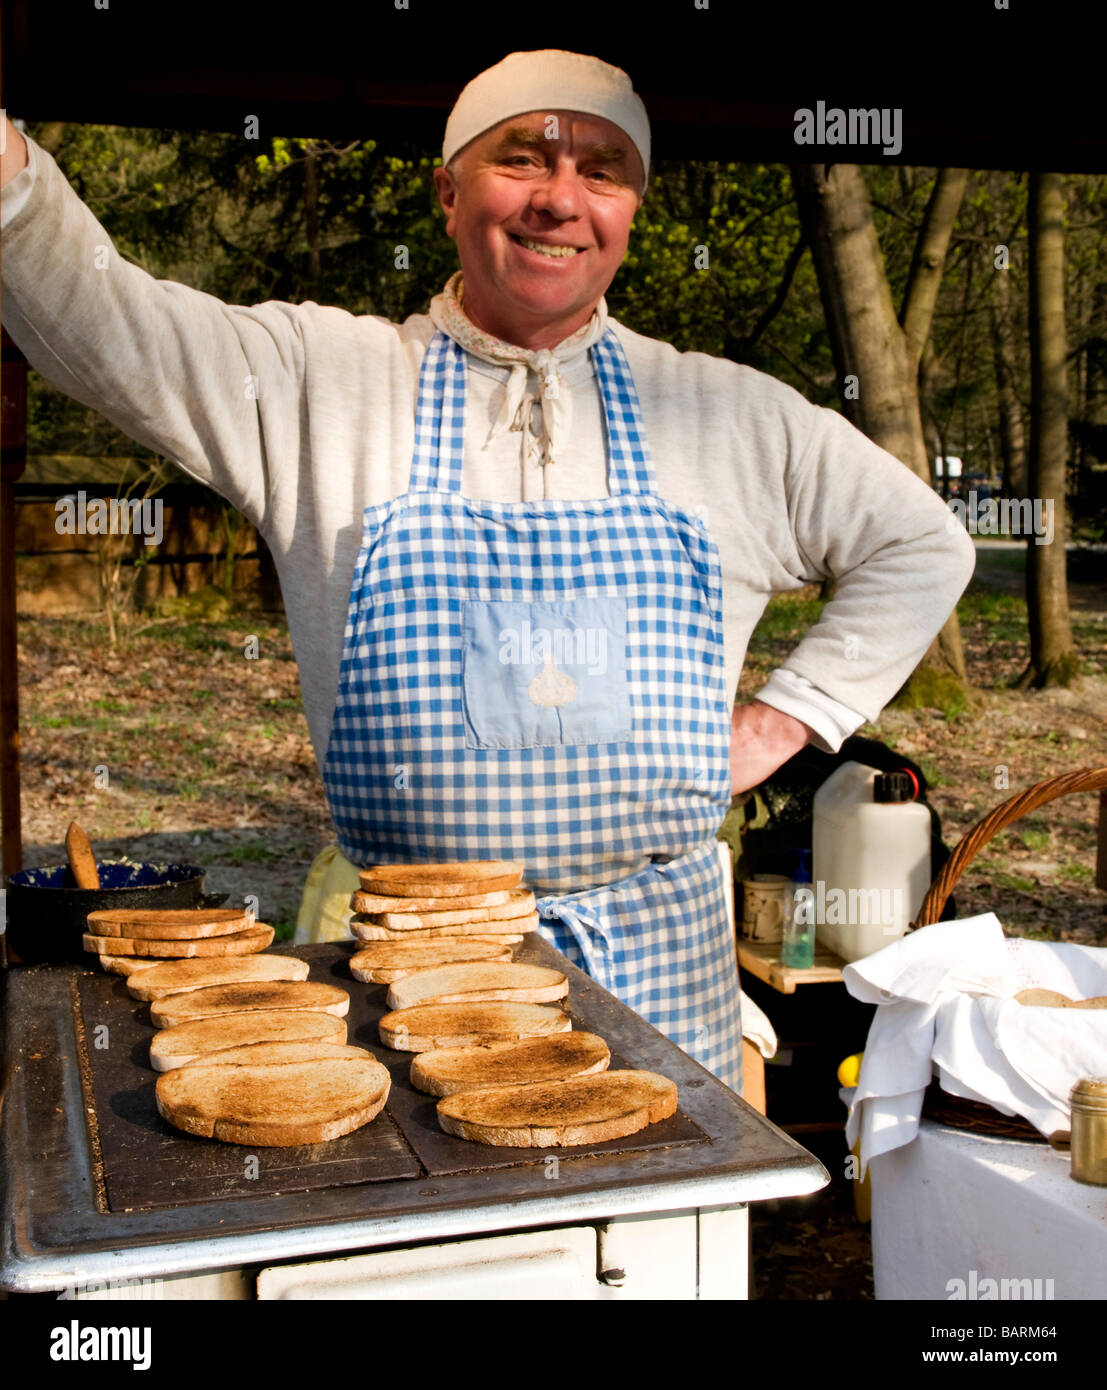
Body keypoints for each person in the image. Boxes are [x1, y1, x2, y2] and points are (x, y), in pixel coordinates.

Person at [0, 50, 975, 1093]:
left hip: (665, 978)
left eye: (602, 170)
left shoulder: (726, 415)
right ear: (449, 191)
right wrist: (13, 182)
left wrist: (789, 718)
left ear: (633, 210)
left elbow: (922, 542)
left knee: (646, 1255)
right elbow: (112, 326)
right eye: (523, 158)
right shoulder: (321, 383)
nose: (561, 199)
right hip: (417, 969)